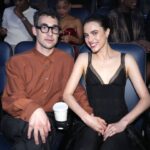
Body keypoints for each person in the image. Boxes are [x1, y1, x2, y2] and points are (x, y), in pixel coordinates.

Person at [1, 9, 94, 150]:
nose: (50, 33)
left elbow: (76, 91)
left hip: (50, 117)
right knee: (37, 132)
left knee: (35, 137)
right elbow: (16, 96)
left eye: (54, 29)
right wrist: (35, 110)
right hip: (15, 118)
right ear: (34, 30)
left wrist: (89, 114)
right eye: (44, 28)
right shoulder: (17, 61)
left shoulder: (66, 60)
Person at [63, 15, 150, 150]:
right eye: (86, 35)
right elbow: (67, 95)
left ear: (107, 32)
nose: (90, 40)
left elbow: (146, 99)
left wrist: (123, 123)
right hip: (90, 122)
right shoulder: (84, 58)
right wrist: (87, 119)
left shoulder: (127, 60)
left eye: (95, 33)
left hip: (118, 124)